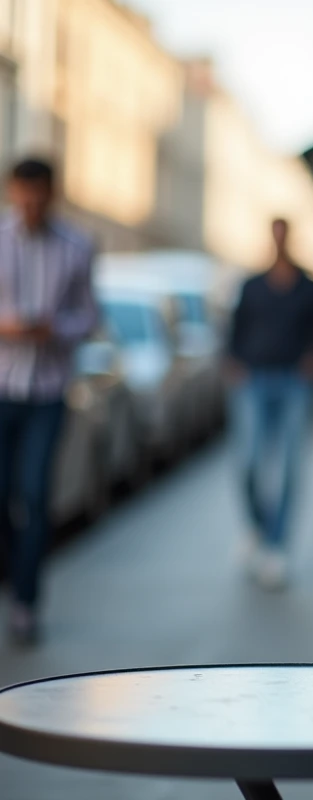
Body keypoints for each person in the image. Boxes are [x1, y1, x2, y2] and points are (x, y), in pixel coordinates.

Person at [0, 158, 98, 645]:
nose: (31, 204)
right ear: (11, 192)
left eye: (39, 195)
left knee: (36, 497)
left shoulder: (77, 246)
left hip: (48, 392)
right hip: (1, 389)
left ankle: (26, 602)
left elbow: (89, 315)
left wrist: (56, 328)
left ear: (52, 194)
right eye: (23, 194)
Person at [227, 218, 313, 590]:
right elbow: (234, 329)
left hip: (294, 384)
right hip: (253, 381)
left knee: (290, 467)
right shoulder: (251, 285)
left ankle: (277, 546)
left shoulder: (309, 287)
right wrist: (235, 364)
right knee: (249, 463)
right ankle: (258, 526)